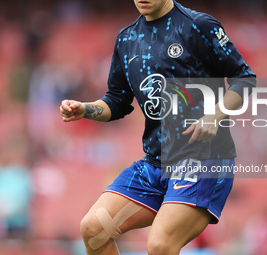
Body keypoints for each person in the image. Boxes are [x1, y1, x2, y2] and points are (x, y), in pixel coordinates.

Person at [60, 0, 256, 254]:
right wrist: (85, 109)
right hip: (155, 165)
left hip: (203, 159)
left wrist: (215, 114)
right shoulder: (127, 38)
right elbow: (117, 102)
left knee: (160, 245)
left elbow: (244, 77)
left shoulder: (198, 25)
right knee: (94, 229)